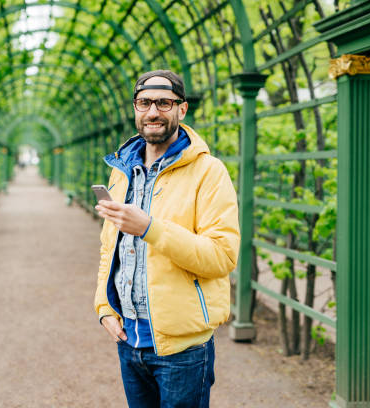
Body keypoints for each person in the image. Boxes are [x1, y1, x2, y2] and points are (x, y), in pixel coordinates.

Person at [94, 70, 240, 407]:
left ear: (182, 109)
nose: (153, 112)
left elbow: (222, 256)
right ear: (135, 108)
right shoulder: (122, 170)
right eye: (144, 103)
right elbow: (108, 248)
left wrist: (150, 228)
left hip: (183, 348)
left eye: (164, 102)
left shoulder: (209, 171)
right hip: (129, 339)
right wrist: (104, 306)